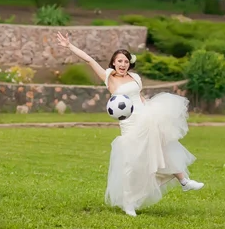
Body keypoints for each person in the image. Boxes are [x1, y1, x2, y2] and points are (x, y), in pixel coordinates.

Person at [56, 32, 204, 217]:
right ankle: (128, 202)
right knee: (132, 164)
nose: (123, 65)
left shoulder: (135, 78)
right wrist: (69, 46)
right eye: (119, 61)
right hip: (130, 124)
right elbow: (89, 60)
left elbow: (140, 97)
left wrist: (150, 108)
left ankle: (184, 181)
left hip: (145, 117)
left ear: (129, 63)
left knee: (164, 146)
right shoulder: (109, 77)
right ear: (113, 63)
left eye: (126, 61)